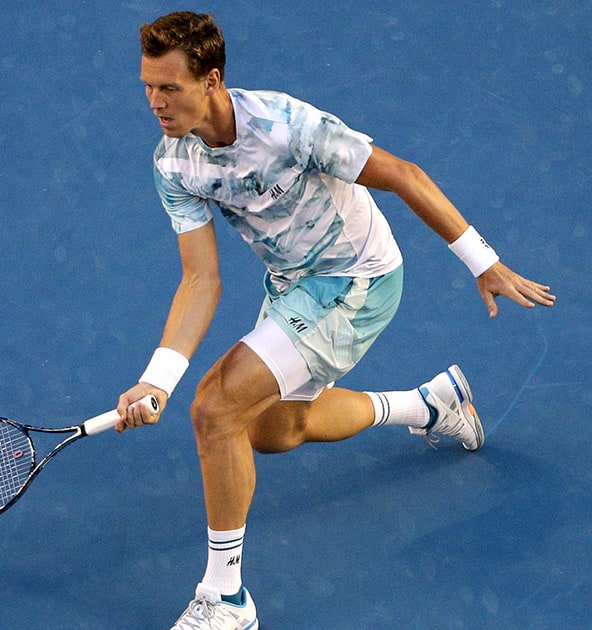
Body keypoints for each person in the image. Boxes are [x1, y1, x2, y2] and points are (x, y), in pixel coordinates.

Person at [114, 11, 556, 629]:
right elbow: (200, 279)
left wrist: (484, 263)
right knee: (271, 431)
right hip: (294, 287)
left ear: (211, 80)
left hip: (357, 280)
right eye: (147, 88)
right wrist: (158, 377)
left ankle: (225, 600)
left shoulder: (288, 125)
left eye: (170, 88)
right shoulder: (174, 164)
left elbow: (404, 175)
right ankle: (431, 405)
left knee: (214, 408)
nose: (155, 103)